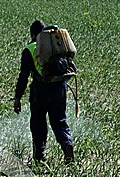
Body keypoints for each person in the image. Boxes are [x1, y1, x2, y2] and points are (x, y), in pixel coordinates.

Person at [14, 20, 75, 165]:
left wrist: (17, 98)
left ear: (33, 35)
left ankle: (39, 157)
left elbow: (23, 76)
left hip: (40, 90)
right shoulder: (56, 46)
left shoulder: (30, 49)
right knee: (59, 121)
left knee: (38, 123)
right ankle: (67, 144)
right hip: (60, 87)